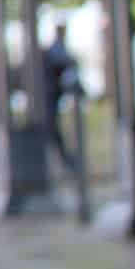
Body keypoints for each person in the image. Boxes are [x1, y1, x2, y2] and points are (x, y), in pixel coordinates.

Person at [41, 22, 82, 174]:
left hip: (51, 97)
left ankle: (66, 163)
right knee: (52, 131)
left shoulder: (56, 49)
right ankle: (66, 163)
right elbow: (66, 63)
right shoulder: (56, 50)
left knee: (53, 131)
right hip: (49, 97)